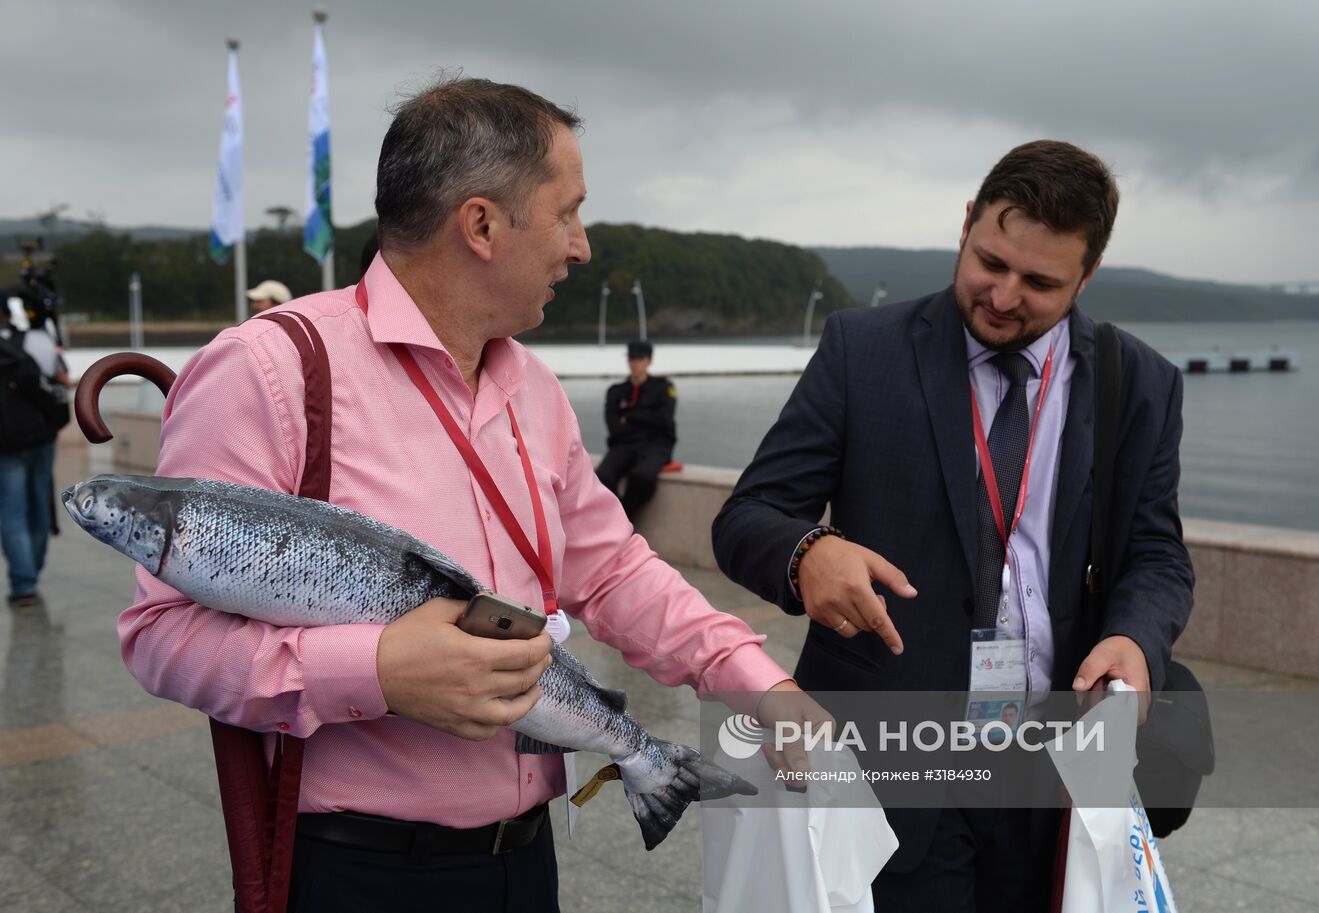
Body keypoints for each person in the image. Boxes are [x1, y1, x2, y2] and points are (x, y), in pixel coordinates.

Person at [119, 77, 808, 913]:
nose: (581, 246)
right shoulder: (270, 370)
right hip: (359, 872)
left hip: (524, 860)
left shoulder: (533, 388)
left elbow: (614, 569)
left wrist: (754, 679)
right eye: (567, 213)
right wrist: (375, 670)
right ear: (480, 224)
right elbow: (161, 636)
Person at [712, 140, 1194, 910]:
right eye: (989, 261)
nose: (1003, 296)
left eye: (1039, 282)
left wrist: (1135, 641)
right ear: (966, 222)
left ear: (1087, 274)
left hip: (1052, 770)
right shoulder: (860, 350)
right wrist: (808, 552)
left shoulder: (1141, 383)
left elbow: (1157, 554)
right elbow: (747, 516)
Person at [0, 298, 68, 608]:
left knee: (12, 511)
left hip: (6, 444)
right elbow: (60, 378)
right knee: (40, 503)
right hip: (41, 436)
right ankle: (33, 570)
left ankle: (23, 583)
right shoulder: (36, 340)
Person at [596, 339, 677, 520]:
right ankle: (619, 520)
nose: (635, 363)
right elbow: (614, 426)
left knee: (642, 477)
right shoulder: (617, 391)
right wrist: (646, 417)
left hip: (655, 445)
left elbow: (664, 421)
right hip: (624, 444)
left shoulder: (664, 388)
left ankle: (625, 519)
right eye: (632, 358)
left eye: (639, 359)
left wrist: (631, 417)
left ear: (648, 361)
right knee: (603, 476)